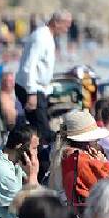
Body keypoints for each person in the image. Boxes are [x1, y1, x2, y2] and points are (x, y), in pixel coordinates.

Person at [15, 11, 72, 144]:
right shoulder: (41, 37)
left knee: (39, 128)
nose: (67, 29)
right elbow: (30, 65)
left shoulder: (48, 37)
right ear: (57, 22)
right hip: (30, 88)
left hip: (39, 88)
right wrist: (31, 93)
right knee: (43, 131)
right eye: (66, 25)